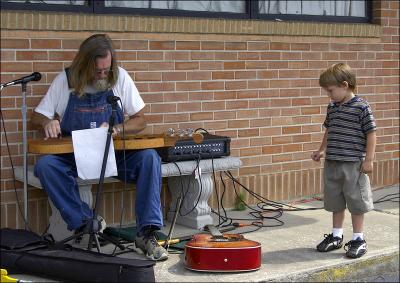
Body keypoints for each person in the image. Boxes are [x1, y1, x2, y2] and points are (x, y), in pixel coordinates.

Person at [31, 34, 168, 261]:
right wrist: (47, 122)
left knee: (149, 158)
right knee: (46, 166)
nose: (104, 74)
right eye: (98, 71)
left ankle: (146, 233)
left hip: (111, 155)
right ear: (84, 65)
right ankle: (86, 222)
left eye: (107, 69)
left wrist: (118, 129)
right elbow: (35, 117)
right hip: (75, 156)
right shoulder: (65, 81)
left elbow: (141, 120)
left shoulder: (120, 77)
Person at [311, 63, 377, 259]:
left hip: (353, 164)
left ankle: (358, 239)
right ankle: (336, 236)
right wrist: (321, 150)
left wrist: (369, 160)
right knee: (335, 201)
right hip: (333, 162)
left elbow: (372, 133)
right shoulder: (332, 107)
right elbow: (329, 130)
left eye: (331, 91)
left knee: (356, 201)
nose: (329, 95)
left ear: (345, 85)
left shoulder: (361, 107)